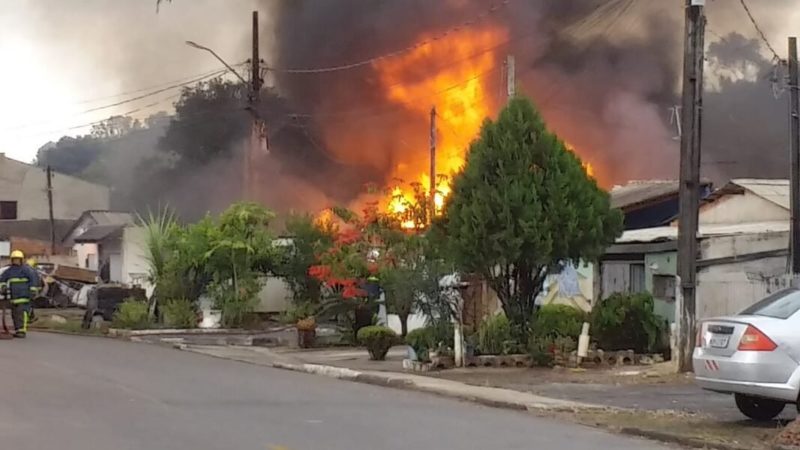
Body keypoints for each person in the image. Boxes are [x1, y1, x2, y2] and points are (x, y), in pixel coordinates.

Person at [0, 250, 40, 338]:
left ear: (21, 260)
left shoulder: (26, 270)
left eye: (18, 259)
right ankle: (18, 330)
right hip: (13, 297)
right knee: (15, 314)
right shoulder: (9, 271)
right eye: (14, 259)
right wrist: (3, 287)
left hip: (24, 295)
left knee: (22, 313)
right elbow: (2, 279)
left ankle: (22, 331)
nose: (16, 261)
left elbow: (33, 280)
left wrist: (33, 291)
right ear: (12, 260)